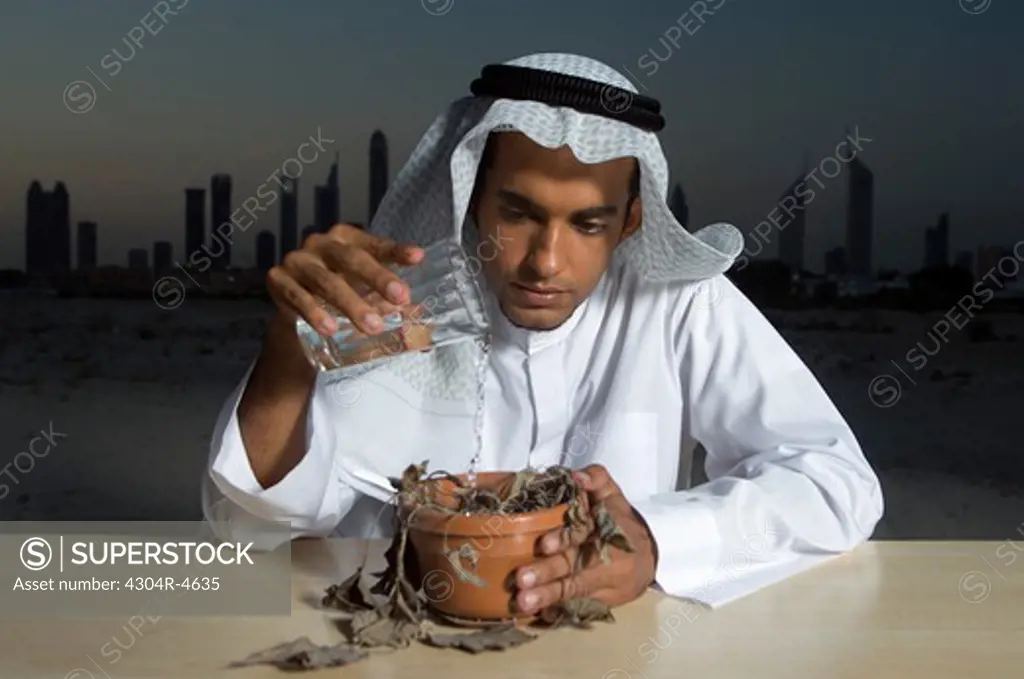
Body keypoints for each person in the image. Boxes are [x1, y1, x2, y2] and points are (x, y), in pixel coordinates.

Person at [202, 52, 883, 615]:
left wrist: (655, 540)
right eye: (519, 213)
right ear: (471, 197)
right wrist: (289, 352)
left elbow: (835, 482)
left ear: (632, 220)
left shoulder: (678, 303)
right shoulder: (396, 299)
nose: (545, 262)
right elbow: (252, 529)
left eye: (588, 224)